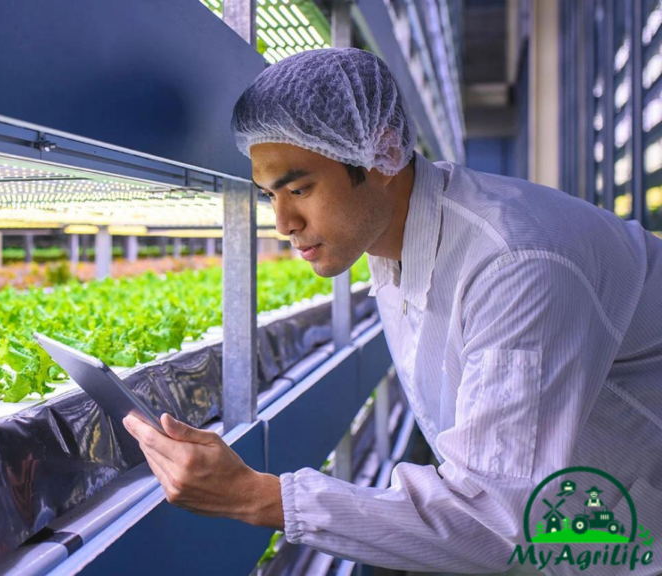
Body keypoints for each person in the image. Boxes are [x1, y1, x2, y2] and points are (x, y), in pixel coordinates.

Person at [122, 48, 662, 573]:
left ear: (382, 154)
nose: (283, 222)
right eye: (269, 196)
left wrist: (255, 496)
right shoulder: (392, 241)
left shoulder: (515, 263)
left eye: (300, 188)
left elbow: (496, 516)